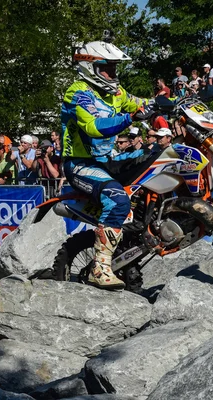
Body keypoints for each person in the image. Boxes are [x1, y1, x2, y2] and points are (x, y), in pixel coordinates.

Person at [61, 41, 150, 289]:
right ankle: (98, 268)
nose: (113, 74)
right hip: (80, 164)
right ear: (90, 67)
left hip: (107, 161)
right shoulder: (78, 92)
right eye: (107, 68)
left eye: (114, 68)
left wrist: (176, 100)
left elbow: (141, 102)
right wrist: (129, 118)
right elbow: (93, 126)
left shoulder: (117, 93)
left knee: (156, 157)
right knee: (117, 198)